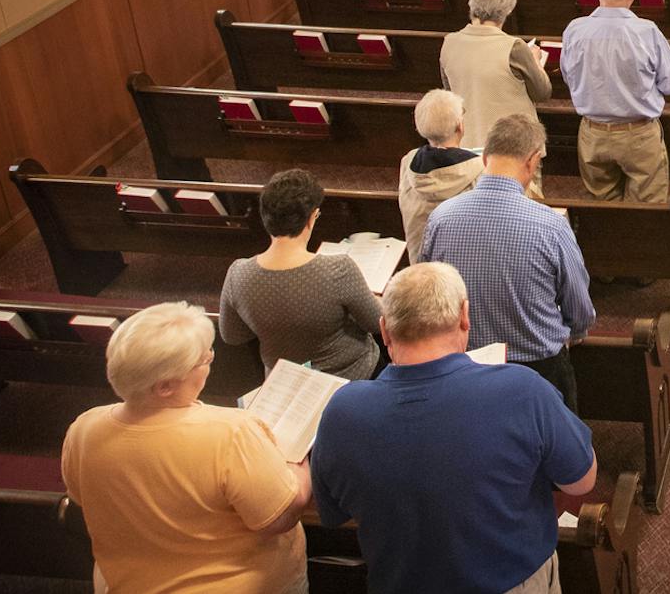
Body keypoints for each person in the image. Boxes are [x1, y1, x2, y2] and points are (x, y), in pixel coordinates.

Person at [313, 262, 597, 594]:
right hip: (512, 581)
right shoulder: (522, 390)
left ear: (385, 330)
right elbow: (581, 481)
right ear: (465, 316)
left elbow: (332, 513)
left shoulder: (341, 412)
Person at [61, 302, 311, 594]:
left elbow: (82, 496)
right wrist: (299, 469)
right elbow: (279, 518)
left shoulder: (84, 428)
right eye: (204, 359)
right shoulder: (230, 432)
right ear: (165, 386)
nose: (210, 361)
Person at [419, 113, 595, 408]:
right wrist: (576, 332)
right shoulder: (551, 225)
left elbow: (427, 290)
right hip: (539, 369)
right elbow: (579, 308)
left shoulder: (440, 218)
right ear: (532, 161)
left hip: (464, 365)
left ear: (485, 158)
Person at [218, 169, 382, 381]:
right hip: (348, 377)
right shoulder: (338, 270)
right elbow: (377, 323)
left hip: (283, 381)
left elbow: (232, 336)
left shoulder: (238, 274)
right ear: (312, 217)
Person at [560, 0, 670, 202]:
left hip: (592, 133)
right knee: (646, 209)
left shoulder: (574, 30)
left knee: (602, 209)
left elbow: (568, 77)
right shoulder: (647, 32)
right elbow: (669, 85)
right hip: (639, 134)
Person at [401, 89, 542, 264]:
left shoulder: (408, 163)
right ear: (460, 126)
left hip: (421, 265)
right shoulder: (482, 169)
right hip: (467, 266)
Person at [441, 0, 551, 148]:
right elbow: (542, 92)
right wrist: (536, 61)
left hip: (467, 144)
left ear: (471, 3)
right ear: (508, 9)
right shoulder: (515, 47)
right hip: (513, 147)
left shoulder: (449, 42)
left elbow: (450, 92)